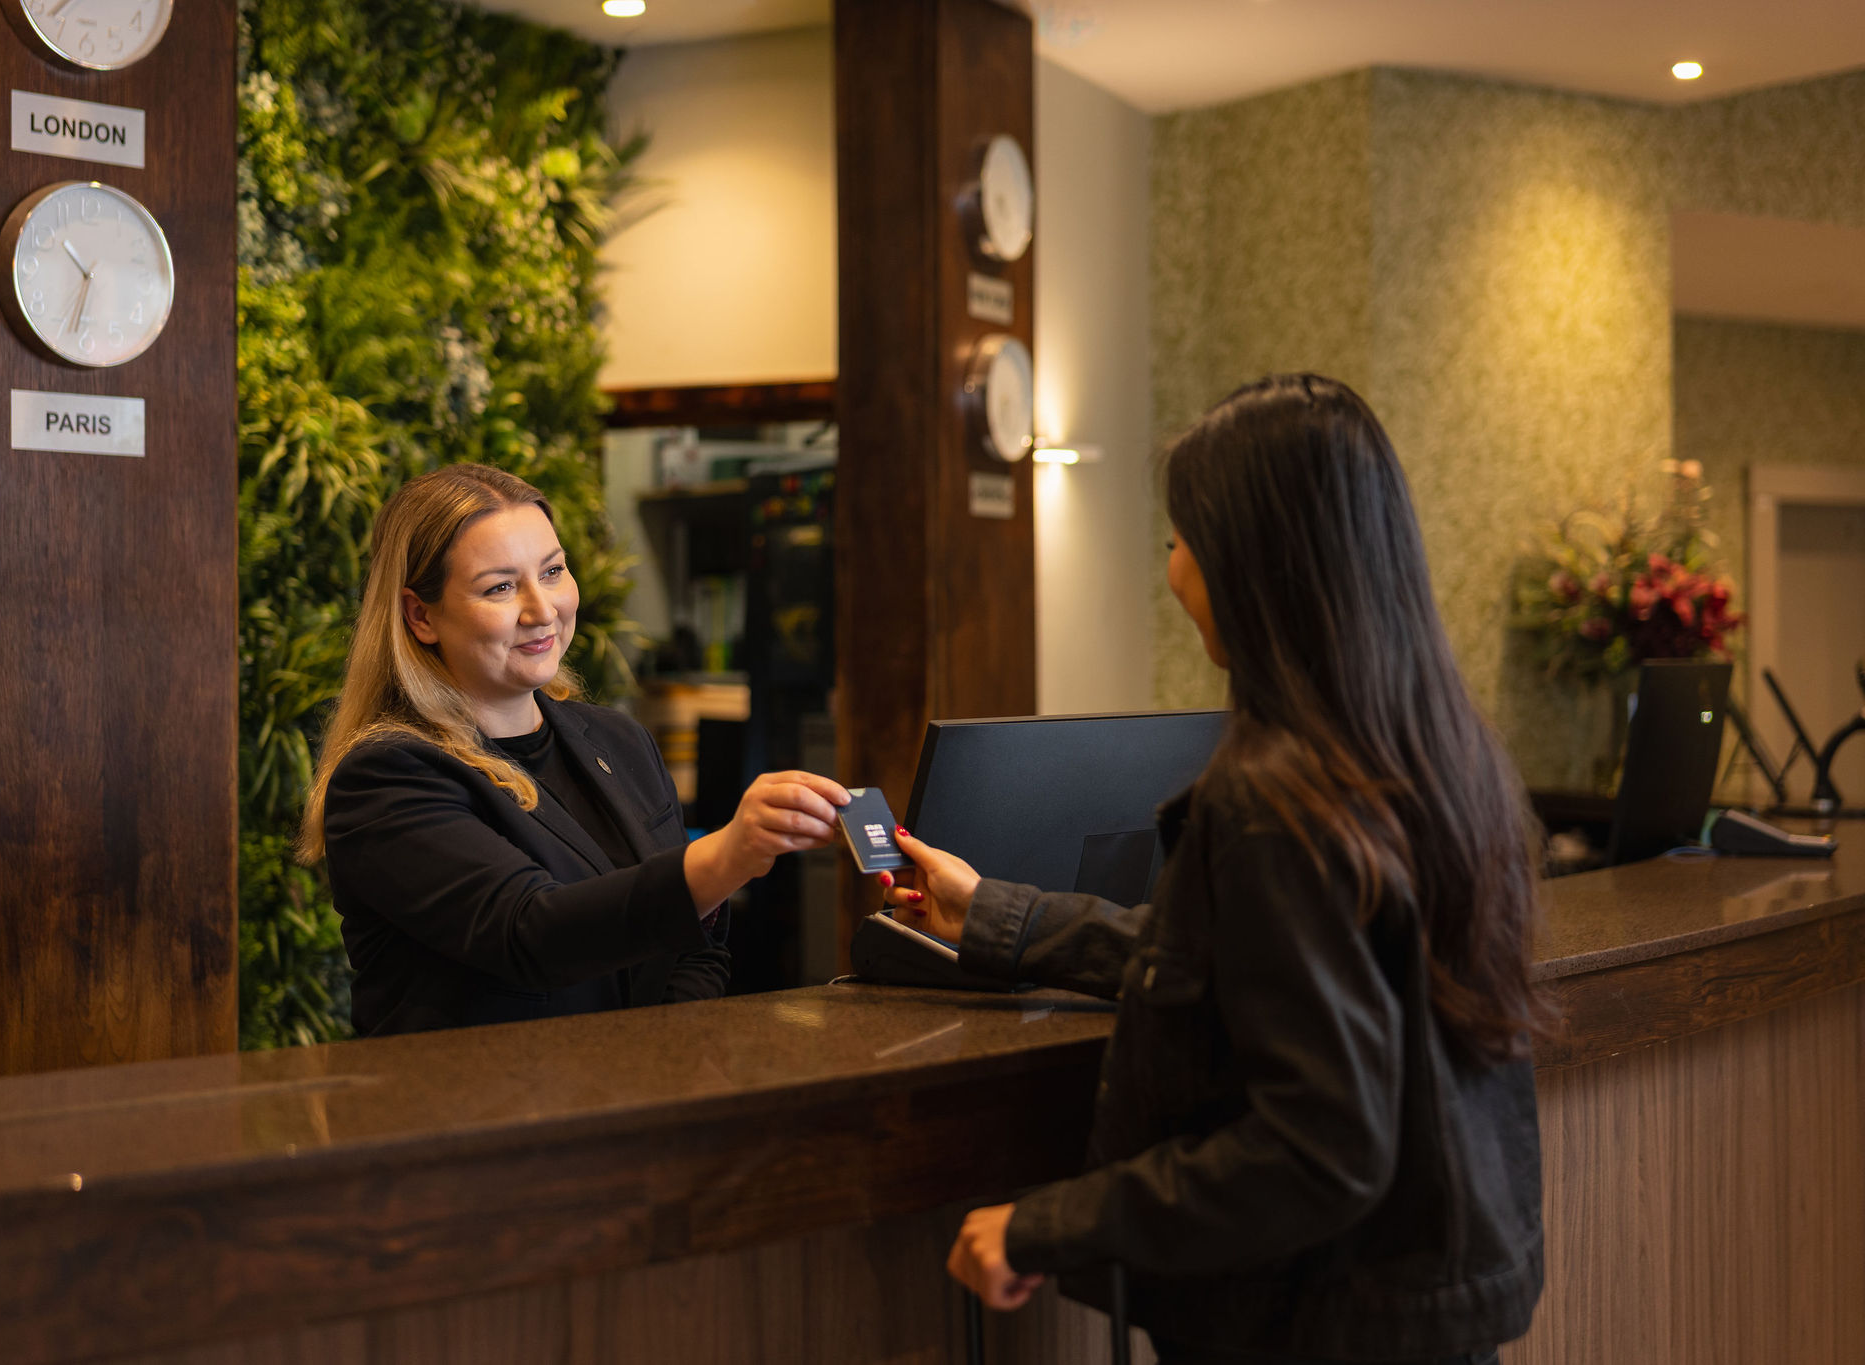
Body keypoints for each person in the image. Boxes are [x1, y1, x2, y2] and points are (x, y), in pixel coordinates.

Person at [883, 375, 1544, 1365]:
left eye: (1181, 539)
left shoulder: (1275, 800)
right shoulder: (1434, 756)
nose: (1171, 568)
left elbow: (1314, 1148)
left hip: (1310, 1328)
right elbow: (1236, 967)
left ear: (1253, 564)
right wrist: (996, 917)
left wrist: (1044, 1226)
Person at [298, 463, 848, 1037]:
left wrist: (660, 1064)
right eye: (501, 587)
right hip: (477, 1117)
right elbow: (532, 933)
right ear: (420, 615)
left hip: (635, 1105)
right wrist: (729, 853)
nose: (543, 610)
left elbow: (695, 945)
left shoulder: (619, 740)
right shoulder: (387, 775)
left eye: (553, 571)